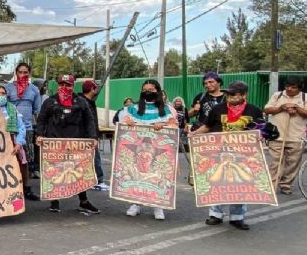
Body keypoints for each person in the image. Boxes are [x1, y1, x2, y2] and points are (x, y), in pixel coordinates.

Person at [191, 80, 265, 230]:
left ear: (244, 94)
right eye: (228, 93)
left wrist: (260, 135)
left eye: (234, 94)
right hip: (219, 152)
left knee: (239, 184)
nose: (230, 96)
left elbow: (261, 129)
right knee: (217, 181)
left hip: (242, 154)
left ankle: (237, 217)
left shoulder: (254, 111)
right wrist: (194, 134)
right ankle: (215, 215)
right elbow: (207, 126)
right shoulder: (218, 109)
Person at [35, 73, 99, 215]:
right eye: (62, 84)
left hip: (76, 144)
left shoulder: (81, 102)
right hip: (54, 143)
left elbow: (89, 120)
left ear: (73, 85)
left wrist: (93, 137)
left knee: (79, 173)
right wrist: (39, 135)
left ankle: (84, 202)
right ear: (58, 85)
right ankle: (54, 200)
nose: (64, 87)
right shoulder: (50, 102)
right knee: (55, 171)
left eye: (68, 85)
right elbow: (41, 120)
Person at [118, 80, 179, 220]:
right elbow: (122, 121)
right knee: (137, 174)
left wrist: (163, 125)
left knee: (157, 174)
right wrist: (127, 122)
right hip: (137, 149)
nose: (147, 92)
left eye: (151, 89)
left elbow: (174, 125)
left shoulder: (168, 109)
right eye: (145, 89)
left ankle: (158, 206)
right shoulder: (133, 108)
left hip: (157, 150)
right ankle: (135, 204)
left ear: (157, 91)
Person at [264, 76, 307, 195]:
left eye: (293, 87)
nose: (289, 89)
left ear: (299, 88)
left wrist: (296, 108)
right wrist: (282, 107)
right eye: (287, 86)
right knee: (275, 163)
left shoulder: (306, 98)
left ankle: (286, 184)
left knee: (293, 163)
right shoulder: (278, 95)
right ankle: (272, 185)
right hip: (277, 136)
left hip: (296, 137)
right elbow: (267, 109)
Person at [5, 63, 41, 200]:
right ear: (16, 73)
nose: (23, 75)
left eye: (26, 72)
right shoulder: (8, 89)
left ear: (29, 74)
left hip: (27, 129)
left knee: (25, 161)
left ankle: (26, 188)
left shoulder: (34, 90)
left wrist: (40, 131)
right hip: (10, 129)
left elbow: (37, 112)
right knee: (10, 159)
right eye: (20, 72)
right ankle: (10, 188)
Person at [0, 85, 26, 181]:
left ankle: (23, 190)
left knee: (17, 168)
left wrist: (19, 143)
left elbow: (21, 127)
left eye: (3, 93)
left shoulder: (12, 108)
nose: (1, 95)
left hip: (12, 143)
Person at [79, 79, 108, 192]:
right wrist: (92, 135)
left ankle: (91, 181)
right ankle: (98, 181)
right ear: (92, 89)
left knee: (91, 159)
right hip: (88, 136)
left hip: (90, 135)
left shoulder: (89, 101)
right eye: (95, 88)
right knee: (95, 158)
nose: (97, 90)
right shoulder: (83, 102)